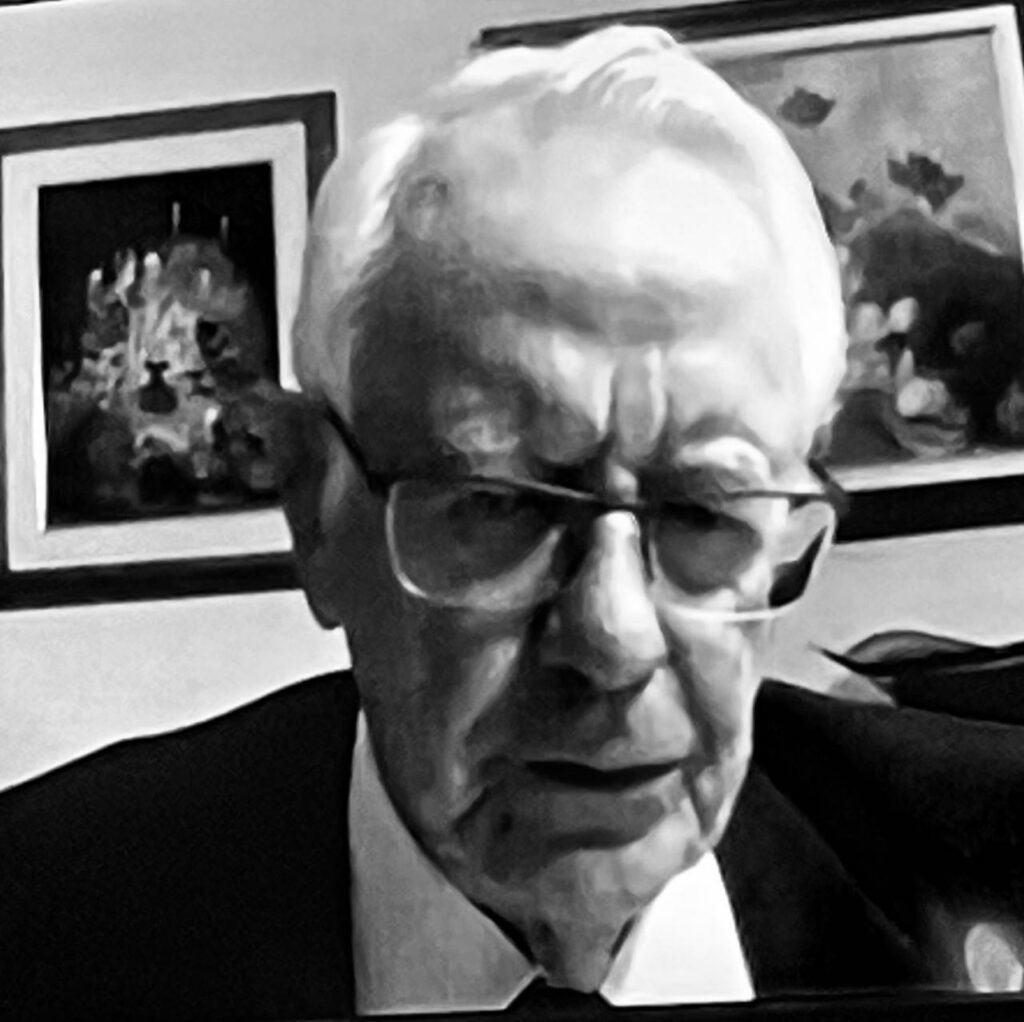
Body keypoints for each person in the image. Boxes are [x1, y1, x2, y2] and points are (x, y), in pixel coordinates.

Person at [3, 25, 1024, 1021]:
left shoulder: (998, 864)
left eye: (704, 512)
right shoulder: (39, 919)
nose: (613, 638)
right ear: (316, 510)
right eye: (496, 505)